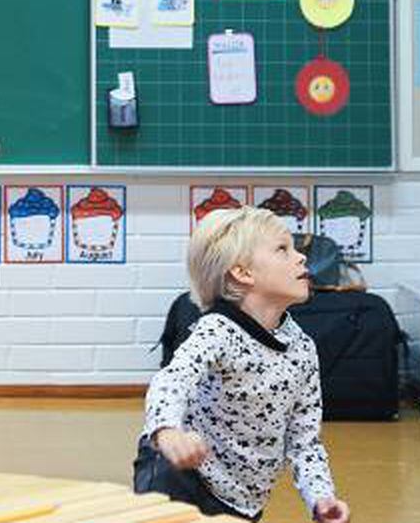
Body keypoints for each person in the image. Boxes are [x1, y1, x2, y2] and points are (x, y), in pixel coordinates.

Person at [137, 206, 348, 522]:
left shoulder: (302, 349)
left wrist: (321, 498)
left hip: (241, 501)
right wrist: (167, 432)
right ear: (243, 273)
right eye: (282, 249)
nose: (301, 257)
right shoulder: (218, 330)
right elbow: (172, 379)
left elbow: (305, 442)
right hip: (180, 472)